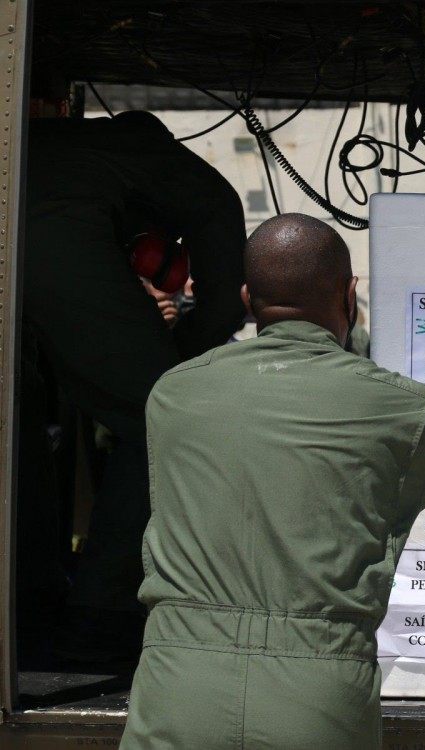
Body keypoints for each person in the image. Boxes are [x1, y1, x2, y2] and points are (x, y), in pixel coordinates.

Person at [121, 213, 425, 749]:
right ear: (349, 292)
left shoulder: (174, 396)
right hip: (313, 702)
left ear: (247, 297)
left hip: (175, 685)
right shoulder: (400, 410)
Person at [23, 110, 246, 661]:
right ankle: (102, 610)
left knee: (20, 420)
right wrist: (197, 340)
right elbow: (222, 232)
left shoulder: (92, 158)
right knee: (161, 419)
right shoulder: (166, 165)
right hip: (53, 225)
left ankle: (29, 594)